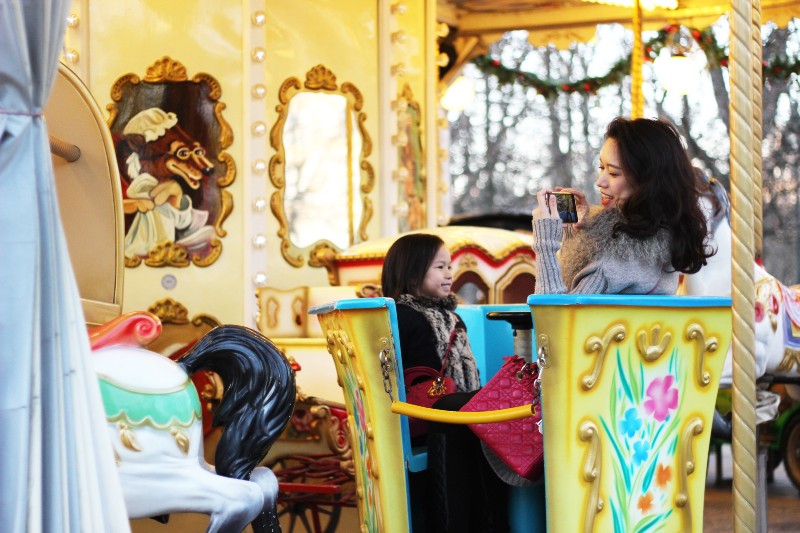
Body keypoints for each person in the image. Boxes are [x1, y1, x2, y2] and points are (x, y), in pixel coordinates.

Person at [381, 233, 509, 533]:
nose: (450, 273)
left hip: (427, 417)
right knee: (481, 408)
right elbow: (418, 378)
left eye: (449, 266)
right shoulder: (411, 317)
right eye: (440, 267)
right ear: (413, 274)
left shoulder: (444, 316)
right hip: (426, 418)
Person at [532, 117, 713, 295]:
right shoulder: (661, 245)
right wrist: (583, 228)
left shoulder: (611, 269)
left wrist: (545, 242)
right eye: (601, 168)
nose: (599, 182)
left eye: (613, 173)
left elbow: (555, 319)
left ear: (648, 181)